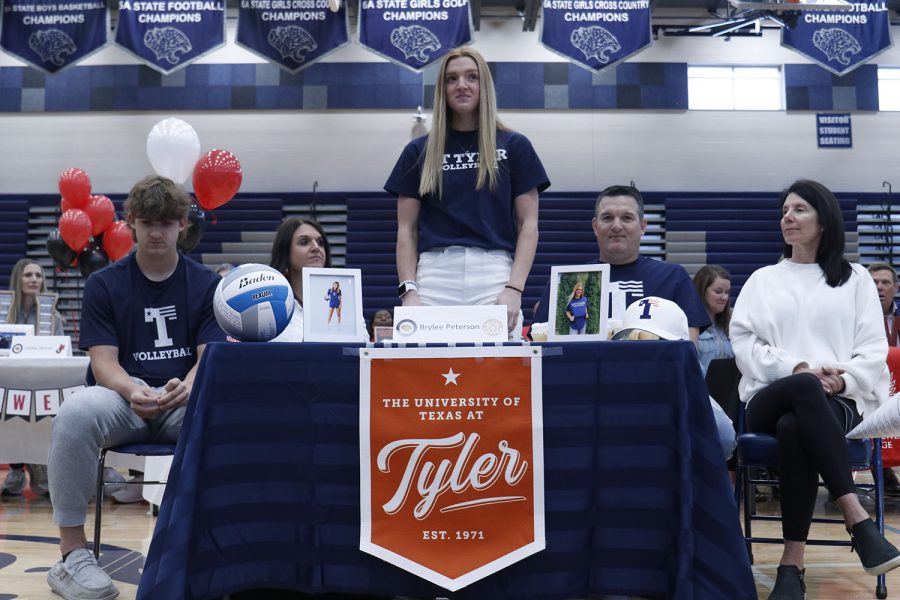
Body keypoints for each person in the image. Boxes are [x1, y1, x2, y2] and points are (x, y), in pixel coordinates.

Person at [45, 175, 226, 600]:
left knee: (229, 414)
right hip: (122, 400)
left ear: (183, 224)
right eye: (148, 222)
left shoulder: (207, 285)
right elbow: (103, 362)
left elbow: (209, 356)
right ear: (130, 223)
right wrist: (131, 390)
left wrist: (191, 384)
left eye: (166, 222)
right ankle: (72, 554)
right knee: (73, 413)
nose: (157, 232)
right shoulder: (104, 284)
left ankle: (217, 542)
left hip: (183, 398)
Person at [731, 180, 899, 599]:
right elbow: (745, 345)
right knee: (800, 395)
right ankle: (856, 517)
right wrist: (800, 369)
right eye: (785, 209)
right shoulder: (762, 279)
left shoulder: (856, 279)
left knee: (795, 429)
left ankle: (792, 566)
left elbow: (874, 348)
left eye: (799, 209)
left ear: (824, 220)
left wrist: (841, 380)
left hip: (837, 401)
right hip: (768, 397)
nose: (787, 216)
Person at [385, 47, 550, 337]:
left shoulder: (515, 146)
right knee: (428, 373)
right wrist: (408, 292)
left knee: (500, 372)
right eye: (452, 79)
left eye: (471, 77)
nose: (461, 85)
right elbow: (406, 231)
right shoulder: (418, 151)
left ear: (483, 85)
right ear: (443, 89)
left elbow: (529, 225)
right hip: (435, 276)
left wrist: (514, 288)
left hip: (494, 274)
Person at [533, 185, 709, 342]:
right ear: (595, 226)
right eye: (607, 218)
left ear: (642, 226)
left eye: (627, 218)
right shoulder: (566, 282)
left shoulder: (673, 278)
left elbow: (688, 350)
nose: (616, 226)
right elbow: (541, 347)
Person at [613, 296, 737, 460]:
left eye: (653, 343)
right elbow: (724, 442)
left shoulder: (606, 387)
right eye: (635, 342)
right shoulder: (688, 387)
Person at [1, 258, 65, 497]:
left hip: (42, 380)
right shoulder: (4, 312)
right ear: (18, 279)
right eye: (29, 275)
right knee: (8, 415)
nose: (34, 280)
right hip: (9, 379)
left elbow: (60, 350)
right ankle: (16, 469)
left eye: (38, 276)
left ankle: (40, 466)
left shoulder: (54, 317)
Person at [867, 262, 900, 496]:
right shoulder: (853, 319)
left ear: (895, 287)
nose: (879, 287)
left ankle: (887, 469)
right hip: (863, 386)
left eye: (885, 283)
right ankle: (839, 478)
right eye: (873, 282)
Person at [269, 218, 330, 342]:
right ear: (285, 252)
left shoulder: (344, 303)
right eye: (304, 242)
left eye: (320, 242)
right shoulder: (266, 305)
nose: (316, 247)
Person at [692, 264, 734, 374]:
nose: (724, 297)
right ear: (702, 290)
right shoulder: (689, 326)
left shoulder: (732, 324)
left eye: (727, 292)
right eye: (718, 291)